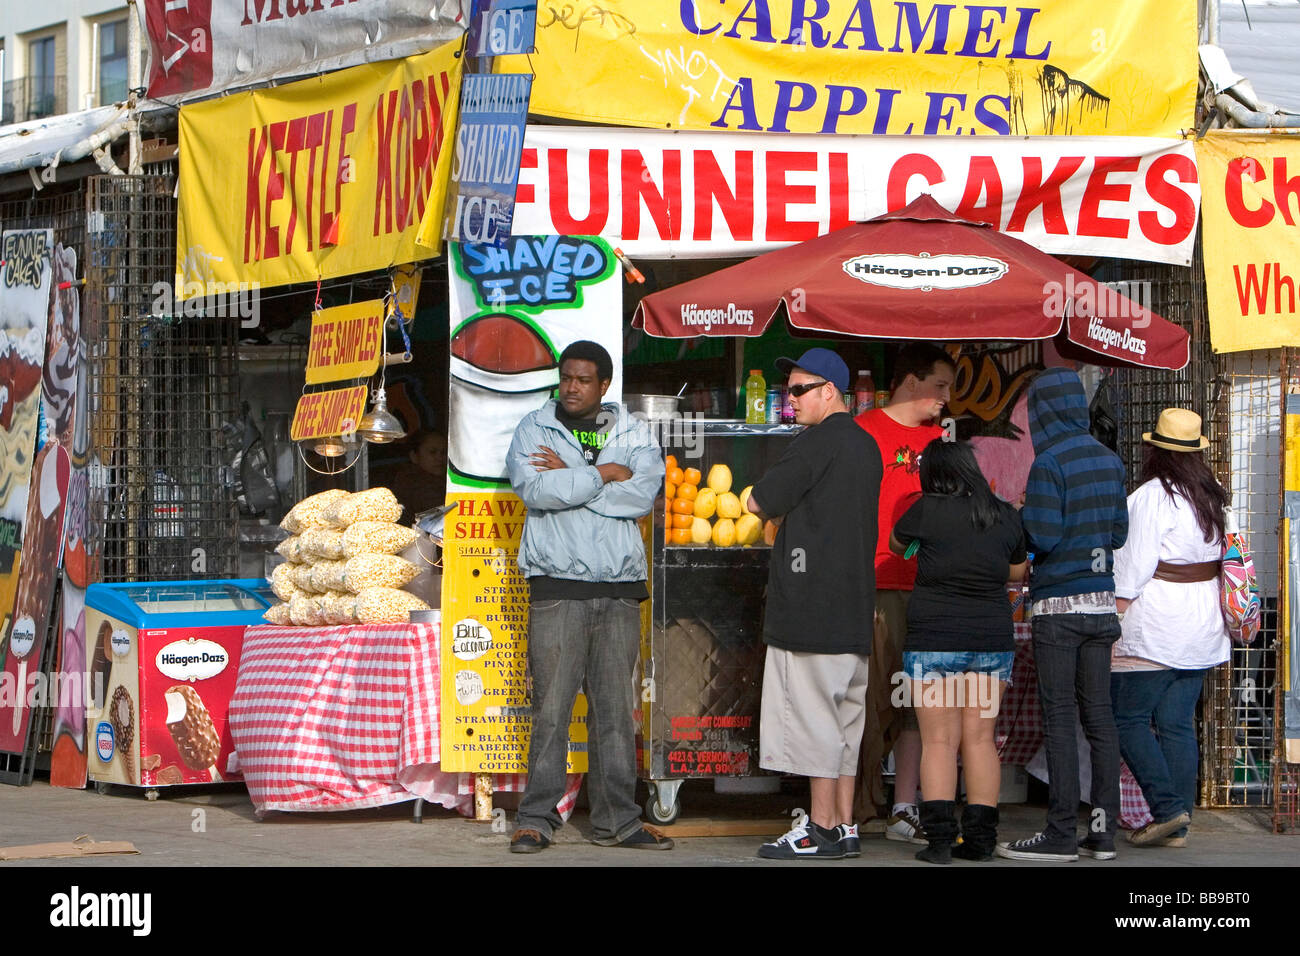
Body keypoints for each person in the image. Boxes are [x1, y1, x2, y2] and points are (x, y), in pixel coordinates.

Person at [505, 341, 672, 853]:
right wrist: (604, 474)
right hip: (556, 587)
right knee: (551, 709)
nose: (571, 388)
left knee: (616, 713)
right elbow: (536, 492)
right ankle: (535, 819)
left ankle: (619, 821)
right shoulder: (535, 428)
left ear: (604, 385)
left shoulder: (634, 432)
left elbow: (641, 497)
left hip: (619, 588)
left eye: (583, 380)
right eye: (566, 378)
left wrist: (572, 478)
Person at [747, 347, 881, 860]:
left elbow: (761, 499)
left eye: (799, 390)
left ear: (830, 392)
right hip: (852, 608)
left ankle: (819, 827)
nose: (790, 399)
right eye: (788, 390)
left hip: (809, 609)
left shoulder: (816, 442)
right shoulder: (866, 445)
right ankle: (843, 826)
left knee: (813, 721)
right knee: (846, 722)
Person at [997, 367, 1128, 862]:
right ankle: (1102, 832)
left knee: (1058, 717)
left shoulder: (1049, 462)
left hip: (1057, 609)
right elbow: (1116, 535)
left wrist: (1023, 514)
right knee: (1099, 716)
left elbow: (1044, 537)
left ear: (1044, 411)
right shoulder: (1109, 461)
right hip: (1100, 606)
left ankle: (1058, 835)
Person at [890, 439, 1027, 863]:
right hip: (989, 643)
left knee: (938, 742)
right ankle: (982, 842)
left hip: (934, 644)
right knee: (981, 741)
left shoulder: (926, 510)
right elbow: (1017, 571)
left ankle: (940, 843)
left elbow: (898, 546)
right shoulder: (1002, 513)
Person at [1111, 408, 1228, 848]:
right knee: (1177, 724)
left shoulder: (1151, 497)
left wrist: (1113, 618)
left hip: (1156, 623)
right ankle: (1179, 820)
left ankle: (1167, 810)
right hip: (1202, 624)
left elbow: (1132, 569)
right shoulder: (1212, 497)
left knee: (1127, 718)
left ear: (1153, 450)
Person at [854, 342, 955, 844]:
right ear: (910, 382)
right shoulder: (863, 430)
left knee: (921, 705)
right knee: (872, 700)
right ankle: (859, 806)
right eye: (940, 386)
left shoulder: (944, 440)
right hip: (876, 583)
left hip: (933, 587)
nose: (946, 398)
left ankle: (904, 807)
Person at [387, 429, 448, 518]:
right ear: (414, 456)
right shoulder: (412, 483)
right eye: (432, 452)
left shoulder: (444, 480)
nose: (440, 458)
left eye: (443, 452)